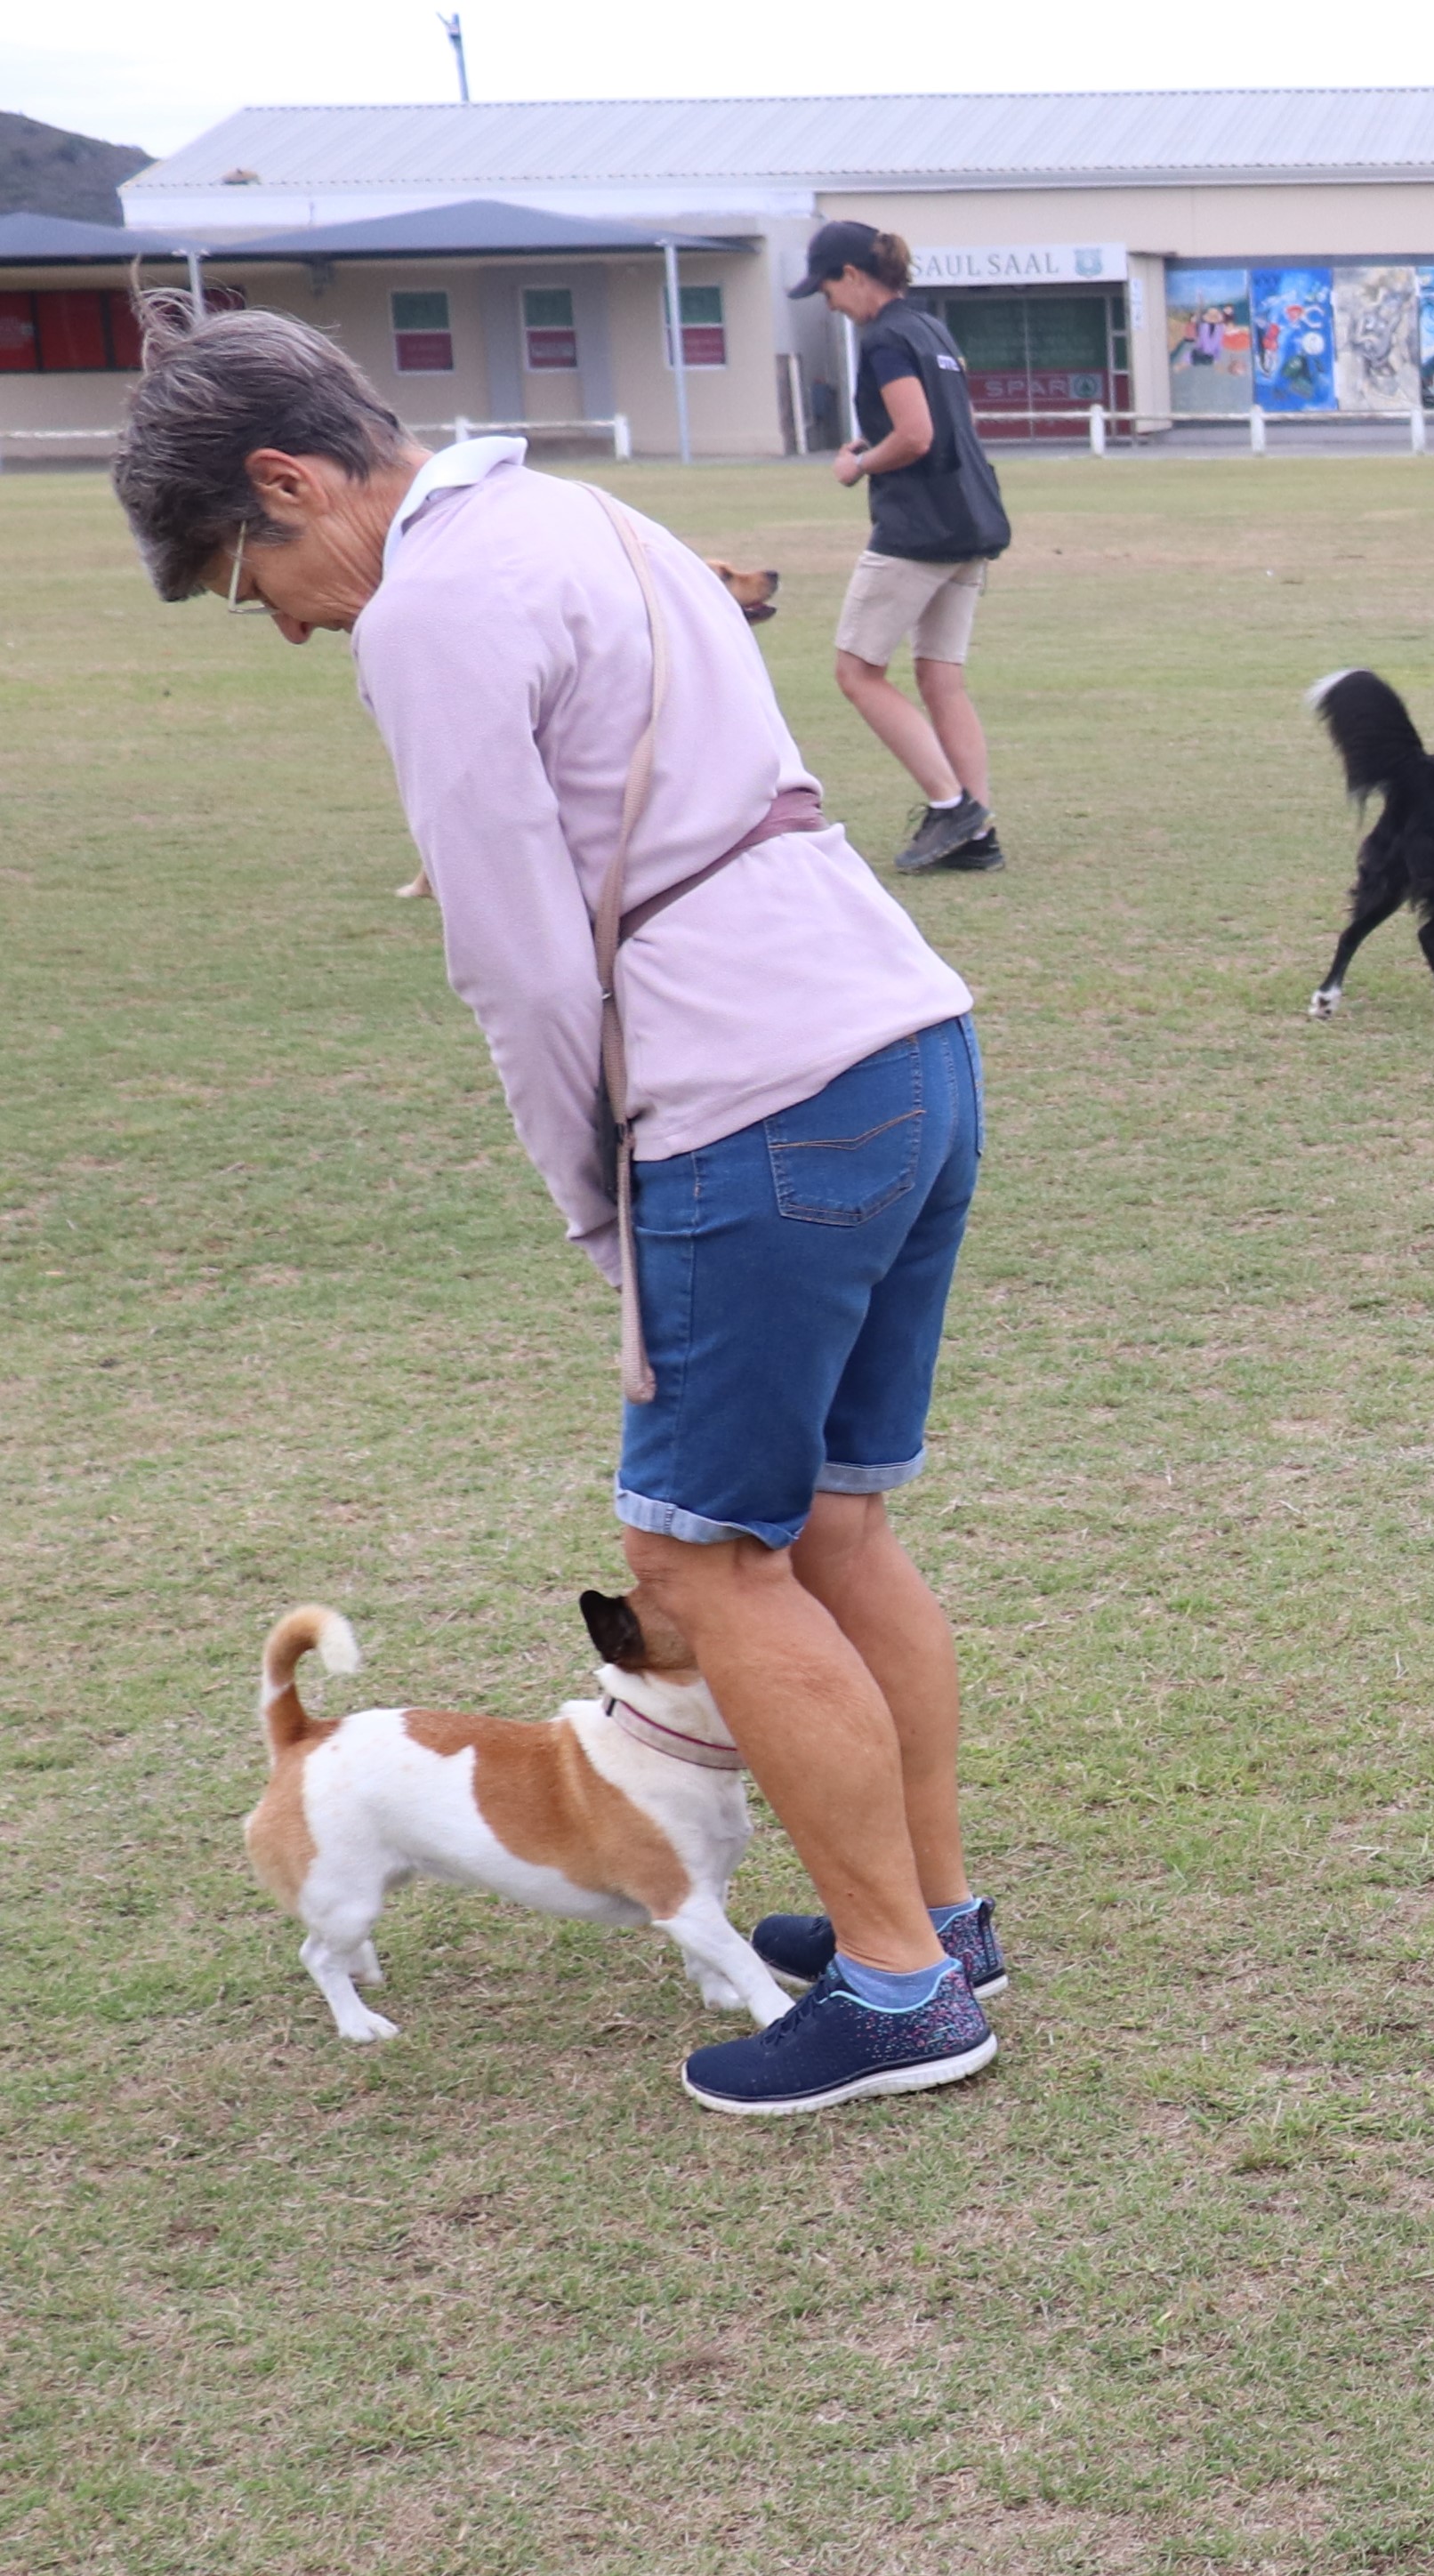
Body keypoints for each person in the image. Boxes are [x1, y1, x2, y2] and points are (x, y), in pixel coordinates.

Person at [113, 299, 1011, 2117]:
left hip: (745, 1093)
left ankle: (905, 1993)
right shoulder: (586, 513)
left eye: (244, 576)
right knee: (839, 1530)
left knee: (700, 1560)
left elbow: (520, 964)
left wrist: (600, 1207)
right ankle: (932, 1923)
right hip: (901, 1036)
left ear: (290, 481)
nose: (281, 621)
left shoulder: (429, 609)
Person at [795, 223, 1011, 874]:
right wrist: (876, 440)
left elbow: (916, 436)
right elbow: (949, 424)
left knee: (857, 672)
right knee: (941, 678)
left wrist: (858, 465)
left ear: (852, 275)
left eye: (827, 289)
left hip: (919, 531)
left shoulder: (885, 338)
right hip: (970, 519)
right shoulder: (930, 330)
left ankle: (952, 805)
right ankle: (976, 835)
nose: (830, 304)